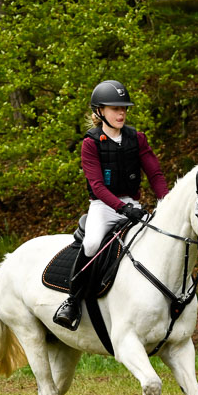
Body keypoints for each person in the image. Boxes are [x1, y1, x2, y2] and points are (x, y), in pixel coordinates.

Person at [53, 79, 169, 330]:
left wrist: (165, 203)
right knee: (93, 242)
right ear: (99, 111)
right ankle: (72, 301)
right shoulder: (91, 143)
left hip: (133, 204)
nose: (121, 113)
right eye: (115, 108)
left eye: (124, 108)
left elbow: (155, 175)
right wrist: (123, 209)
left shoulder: (137, 138)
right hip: (103, 207)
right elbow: (97, 186)